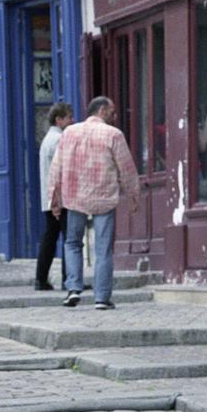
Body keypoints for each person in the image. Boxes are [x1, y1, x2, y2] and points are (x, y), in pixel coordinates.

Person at [48, 95, 139, 310]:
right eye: (112, 111)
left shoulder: (69, 133)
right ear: (102, 111)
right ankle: (101, 298)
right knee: (103, 248)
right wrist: (133, 196)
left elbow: (56, 169)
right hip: (103, 197)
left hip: (75, 197)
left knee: (72, 243)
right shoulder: (113, 135)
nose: (115, 115)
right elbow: (126, 168)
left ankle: (73, 289)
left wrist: (54, 199)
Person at [35, 102, 73, 291]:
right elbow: (61, 170)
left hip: (49, 197)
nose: (71, 120)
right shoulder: (59, 140)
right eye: (68, 117)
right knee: (68, 238)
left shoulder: (47, 139)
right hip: (59, 197)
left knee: (50, 237)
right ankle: (69, 278)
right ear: (59, 120)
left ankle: (41, 278)